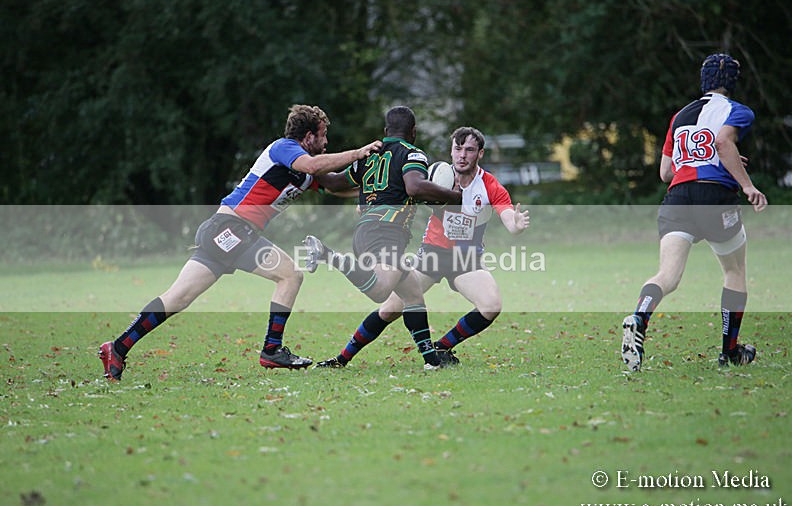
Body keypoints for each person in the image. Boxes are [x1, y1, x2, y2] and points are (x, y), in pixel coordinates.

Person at [98, 104, 382, 381]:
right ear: (308, 136)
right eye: (322, 135)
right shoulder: (284, 148)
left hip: (222, 232)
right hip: (231, 229)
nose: (326, 142)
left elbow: (334, 183)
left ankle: (118, 347)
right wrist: (358, 152)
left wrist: (375, 185)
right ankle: (272, 350)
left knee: (177, 298)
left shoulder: (307, 172)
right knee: (290, 275)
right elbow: (313, 163)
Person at [313, 126, 530, 369]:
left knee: (491, 306)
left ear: (480, 154)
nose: (462, 155)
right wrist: (368, 201)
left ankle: (443, 346)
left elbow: (509, 219)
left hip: (467, 259)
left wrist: (517, 224)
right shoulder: (435, 175)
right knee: (390, 309)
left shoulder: (489, 185)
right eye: (458, 149)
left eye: (469, 150)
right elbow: (395, 188)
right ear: (451, 150)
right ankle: (342, 358)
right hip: (432, 255)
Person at [621, 53, 768, 372]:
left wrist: (711, 161)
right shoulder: (737, 110)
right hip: (714, 197)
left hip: (679, 197)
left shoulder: (680, 115)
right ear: (732, 82)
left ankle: (638, 318)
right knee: (734, 271)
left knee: (668, 276)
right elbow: (722, 142)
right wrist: (747, 185)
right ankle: (729, 351)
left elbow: (665, 172)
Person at [303, 106, 461, 369]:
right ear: (413, 132)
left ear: (386, 132)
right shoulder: (412, 153)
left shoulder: (369, 155)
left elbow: (333, 183)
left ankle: (430, 361)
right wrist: (455, 197)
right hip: (385, 232)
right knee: (380, 292)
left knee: (412, 297)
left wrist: (308, 161)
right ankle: (326, 254)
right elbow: (414, 186)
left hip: (369, 230)